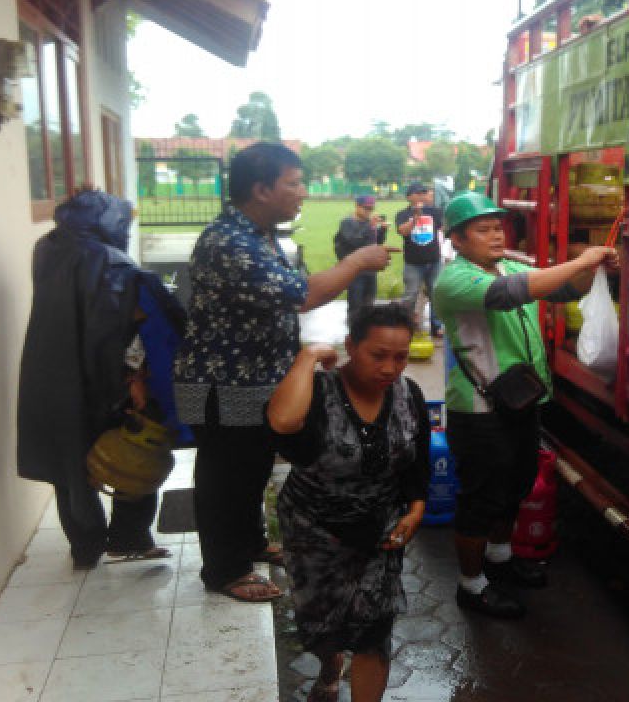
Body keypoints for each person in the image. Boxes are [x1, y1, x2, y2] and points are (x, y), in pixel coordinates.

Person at [173, 143, 395, 603]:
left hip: (256, 379)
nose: (302, 193)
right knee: (225, 474)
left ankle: (250, 543)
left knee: (252, 467)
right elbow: (301, 295)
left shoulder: (259, 234)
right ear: (261, 188)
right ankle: (224, 570)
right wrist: (355, 262)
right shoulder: (229, 243)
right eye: (293, 183)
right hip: (223, 384)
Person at [432, 192, 617, 618]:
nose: (496, 234)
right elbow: (517, 291)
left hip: (520, 402)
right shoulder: (455, 279)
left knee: (515, 486)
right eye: (483, 228)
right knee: (482, 498)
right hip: (478, 411)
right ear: (457, 240)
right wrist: (582, 259)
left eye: (499, 226)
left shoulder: (511, 264)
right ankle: (471, 586)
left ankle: (500, 558)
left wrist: (600, 271)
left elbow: (565, 287)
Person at [266, 304, 428, 702]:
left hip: (379, 527)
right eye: (378, 355)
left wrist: (416, 508)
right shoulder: (319, 392)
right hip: (313, 529)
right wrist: (307, 358)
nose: (390, 368)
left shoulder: (409, 394)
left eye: (401, 356)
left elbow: (417, 458)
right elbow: (283, 423)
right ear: (351, 345)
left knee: (374, 630)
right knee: (321, 624)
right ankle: (329, 664)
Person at [17, 190, 176, 569]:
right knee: (136, 450)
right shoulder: (111, 262)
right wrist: (133, 378)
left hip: (52, 375)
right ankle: (129, 537)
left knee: (69, 463)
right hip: (105, 377)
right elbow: (114, 332)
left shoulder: (47, 249)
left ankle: (85, 547)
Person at [394, 181, 444, 338]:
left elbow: (443, 229)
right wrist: (415, 217)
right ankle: (405, 325)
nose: (423, 195)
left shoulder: (434, 212)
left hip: (434, 261)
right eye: (419, 193)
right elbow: (403, 231)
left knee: (435, 293)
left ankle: (437, 327)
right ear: (409, 197)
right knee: (410, 295)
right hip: (413, 263)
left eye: (424, 192)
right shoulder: (402, 214)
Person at [334, 195, 388, 315]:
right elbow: (353, 241)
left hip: (370, 268)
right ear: (357, 206)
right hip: (354, 269)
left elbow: (377, 242)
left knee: (369, 303)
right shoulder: (347, 222)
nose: (369, 212)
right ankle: (354, 330)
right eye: (366, 208)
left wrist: (383, 230)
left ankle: (366, 330)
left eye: (371, 209)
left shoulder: (369, 223)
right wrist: (370, 227)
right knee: (355, 303)